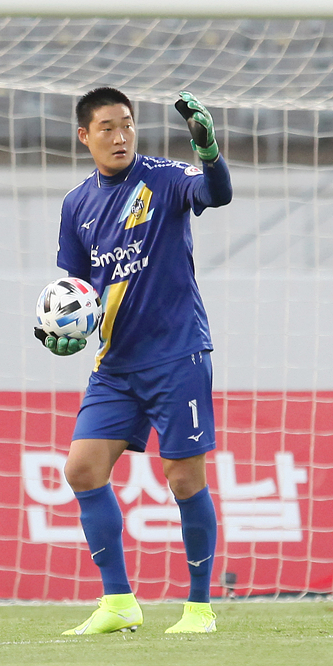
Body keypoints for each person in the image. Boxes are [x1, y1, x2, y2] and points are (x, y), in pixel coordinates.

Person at [34, 87, 232, 634]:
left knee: (183, 479)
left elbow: (217, 194)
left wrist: (208, 150)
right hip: (116, 366)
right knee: (81, 469)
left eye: (127, 125)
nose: (120, 136)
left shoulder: (165, 178)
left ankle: (199, 609)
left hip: (177, 355)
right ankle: (119, 601)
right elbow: (77, 288)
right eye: (107, 128)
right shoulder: (76, 204)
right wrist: (65, 330)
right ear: (85, 136)